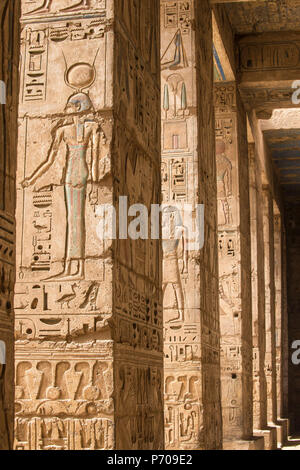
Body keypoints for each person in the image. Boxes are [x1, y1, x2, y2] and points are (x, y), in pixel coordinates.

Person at [22, 92, 100, 281]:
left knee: (75, 219)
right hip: (76, 173)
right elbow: (51, 159)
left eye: (69, 106)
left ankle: (76, 268)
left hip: (76, 173)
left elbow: (95, 158)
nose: (66, 110)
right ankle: (71, 267)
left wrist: (95, 184)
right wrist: (32, 179)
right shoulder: (71, 129)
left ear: (79, 107)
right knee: (73, 219)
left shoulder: (87, 127)